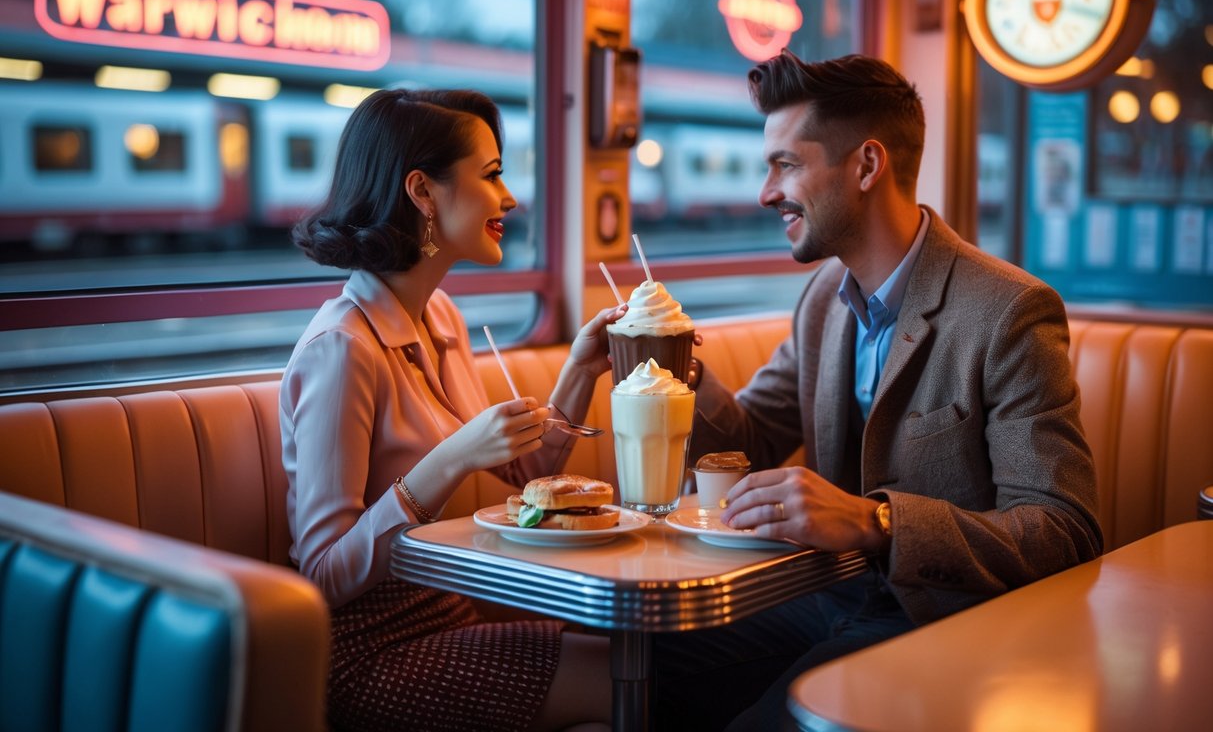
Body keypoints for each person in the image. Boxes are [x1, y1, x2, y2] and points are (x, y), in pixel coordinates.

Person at [656, 51, 1102, 730]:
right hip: (826, 595)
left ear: (865, 166)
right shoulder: (822, 301)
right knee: (637, 665)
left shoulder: (1008, 311)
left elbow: (1060, 532)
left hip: (946, 617)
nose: (765, 192)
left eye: (785, 164)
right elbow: (746, 445)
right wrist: (673, 370)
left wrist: (877, 523)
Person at [280, 88, 617, 732]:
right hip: (370, 653)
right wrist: (452, 459)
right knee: (627, 680)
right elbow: (322, 574)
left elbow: (528, 478)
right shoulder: (342, 349)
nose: (510, 199)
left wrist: (580, 368)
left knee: (644, 667)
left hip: (456, 612)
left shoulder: (440, 317)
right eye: (492, 176)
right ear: (423, 193)